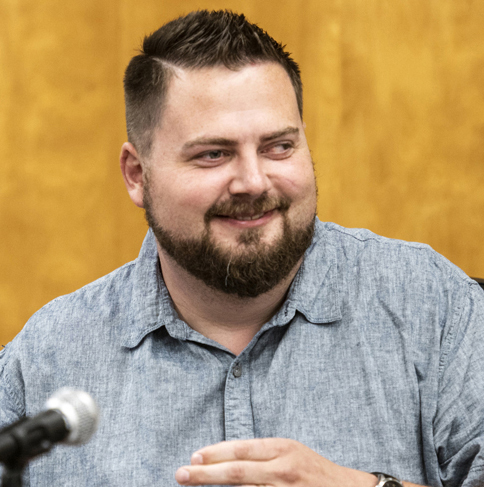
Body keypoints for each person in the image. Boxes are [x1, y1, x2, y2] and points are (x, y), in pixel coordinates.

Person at [1, 10, 483, 487]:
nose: (253, 182)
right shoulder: (47, 359)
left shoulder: (434, 307)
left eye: (278, 147)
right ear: (137, 175)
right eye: (213, 154)